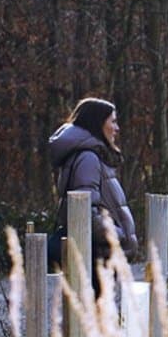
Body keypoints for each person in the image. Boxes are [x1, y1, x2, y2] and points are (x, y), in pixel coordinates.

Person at [47, 97, 135, 248]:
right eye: (112, 122)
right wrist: (121, 235)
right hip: (95, 257)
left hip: (96, 253)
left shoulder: (92, 156)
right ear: (98, 124)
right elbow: (85, 215)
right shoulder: (88, 159)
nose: (117, 128)